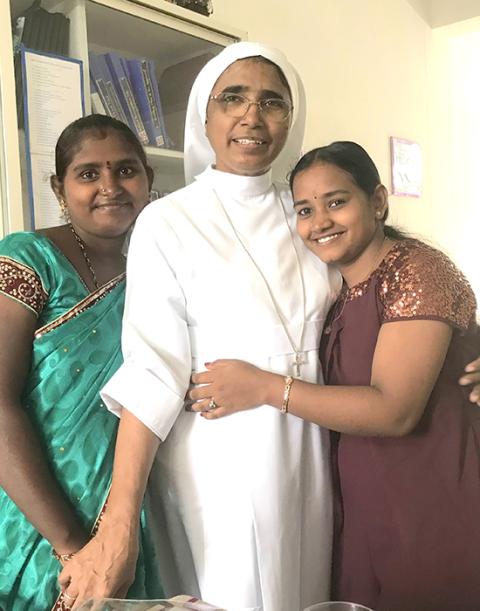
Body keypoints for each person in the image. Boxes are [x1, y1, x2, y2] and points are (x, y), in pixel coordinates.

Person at [59, 42, 342, 611]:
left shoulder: (311, 212)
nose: (251, 117)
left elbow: (388, 287)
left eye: (272, 102)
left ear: (292, 116)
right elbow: (153, 371)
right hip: (219, 458)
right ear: (204, 117)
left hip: (317, 444)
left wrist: (466, 338)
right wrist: (119, 524)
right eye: (232, 98)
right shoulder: (169, 220)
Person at [188, 141, 480, 611]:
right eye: (305, 209)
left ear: (378, 201)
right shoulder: (336, 293)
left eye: (337, 202)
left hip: (434, 508)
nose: (319, 222)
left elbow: (394, 410)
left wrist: (264, 387)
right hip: (367, 515)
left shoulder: (414, 270)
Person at [0, 114, 165, 610]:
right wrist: (73, 547)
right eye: (88, 173)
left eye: (126, 170)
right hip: (38, 517)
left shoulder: (165, 265)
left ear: (148, 179)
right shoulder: (29, 258)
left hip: (135, 510)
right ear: (59, 185)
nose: (110, 187)